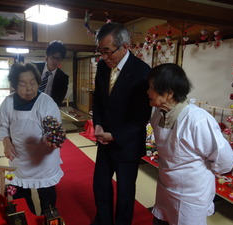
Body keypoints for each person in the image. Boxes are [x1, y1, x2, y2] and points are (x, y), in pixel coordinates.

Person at [147, 63, 233, 225]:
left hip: (190, 194)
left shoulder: (197, 119)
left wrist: (209, 170)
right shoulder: (158, 115)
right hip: (165, 187)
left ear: (169, 93)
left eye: (151, 87)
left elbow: (226, 160)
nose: (147, 92)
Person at [91, 22, 152, 225]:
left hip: (127, 143)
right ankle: (103, 220)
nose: (104, 58)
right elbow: (98, 98)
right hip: (104, 139)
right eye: (101, 52)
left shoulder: (143, 73)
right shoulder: (101, 66)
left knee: (125, 191)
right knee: (100, 185)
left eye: (108, 52)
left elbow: (141, 118)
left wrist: (115, 135)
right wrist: (97, 124)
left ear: (125, 46)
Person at [0, 62, 64, 215]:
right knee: (21, 199)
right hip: (19, 158)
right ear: (14, 85)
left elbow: (54, 128)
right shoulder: (8, 103)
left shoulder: (46, 102)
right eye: (23, 84)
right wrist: (7, 143)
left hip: (44, 160)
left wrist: (51, 140)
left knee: (47, 199)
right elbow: (2, 126)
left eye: (32, 83)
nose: (29, 88)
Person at [34, 40, 69, 107]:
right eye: (53, 57)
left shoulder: (63, 78)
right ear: (46, 57)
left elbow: (59, 100)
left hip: (48, 109)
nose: (55, 61)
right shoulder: (34, 67)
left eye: (58, 59)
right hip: (30, 106)